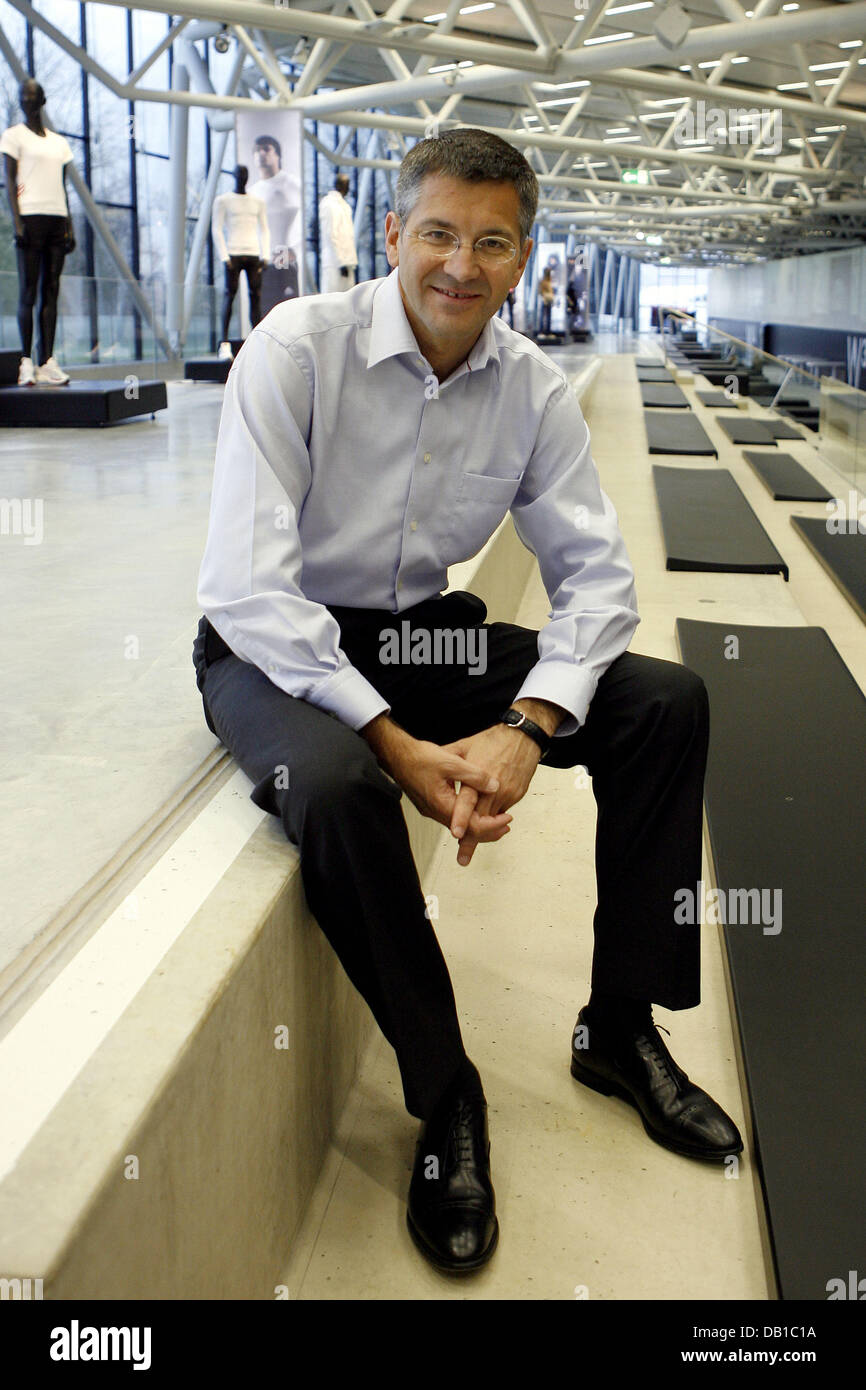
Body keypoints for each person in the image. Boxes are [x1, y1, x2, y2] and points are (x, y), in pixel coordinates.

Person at [193, 127, 741, 1277]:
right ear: (393, 234)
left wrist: (527, 724)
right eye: (438, 232)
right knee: (339, 789)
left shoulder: (527, 385)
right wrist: (393, 741)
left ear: (522, 257)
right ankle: (444, 1097)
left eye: (491, 243)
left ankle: (620, 1028)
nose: (461, 264)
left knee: (663, 702)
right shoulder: (298, 348)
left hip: (420, 632)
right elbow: (246, 586)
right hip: (269, 641)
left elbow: (597, 579)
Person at [1, 78, 75, 386]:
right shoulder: (13, 136)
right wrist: (17, 222)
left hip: (57, 217)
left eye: (32, 96)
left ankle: (47, 360)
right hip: (30, 218)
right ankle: (26, 362)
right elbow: (9, 181)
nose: (27, 101)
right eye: (23, 97)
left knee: (51, 291)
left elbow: (63, 186)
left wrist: (69, 223)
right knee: (29, 291)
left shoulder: (59, 143)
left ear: (42, 100)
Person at [211, 165, 269, 359]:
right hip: (233, 254)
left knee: (256, 297)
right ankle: (224, 344)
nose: (242, 178)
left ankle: (258, 342)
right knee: (230, 296)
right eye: (239, 174)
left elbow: (264, 229)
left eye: (245, 175)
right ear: (234, 176)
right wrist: (224, 256)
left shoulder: (257, 202)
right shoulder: (224, 201)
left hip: (253, 253)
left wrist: (266, 255)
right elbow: (217, 229)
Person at [248, 134, 301, 314]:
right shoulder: (252, 192)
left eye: (266, 149)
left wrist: (293, 248)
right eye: (257, 150)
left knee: (288, 309)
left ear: (277, 154)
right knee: (265, 311)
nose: (261, 154)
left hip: (284, 258)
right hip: (262, 262)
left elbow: (302, 221)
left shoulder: (293, 185)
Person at [319, 172, 359, 293]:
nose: (348, 188)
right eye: (345, 184)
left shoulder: (344, 206)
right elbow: (331, 234)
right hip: (334, 263)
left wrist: (347, 262)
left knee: (348, 301)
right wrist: (341, 262)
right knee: (331, 301)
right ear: (338, 185)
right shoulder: (329, 204)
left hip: (347, 262)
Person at [537, 266, 554, 336]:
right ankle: (543, 331)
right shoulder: (544, 281)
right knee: (545, 316)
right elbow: (541, 291)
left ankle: (546, 331)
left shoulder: (547, 280)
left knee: (546, 316)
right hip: (545, 299)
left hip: (547, 299)